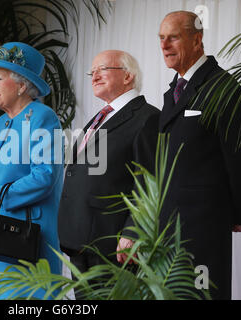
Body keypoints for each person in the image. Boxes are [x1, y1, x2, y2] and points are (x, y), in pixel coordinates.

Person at [158, 11, 241, 299]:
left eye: (174, 37)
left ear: (197, 39)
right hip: (168, 229)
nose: (165, 45)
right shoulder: (172, 93)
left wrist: (236, 211)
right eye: (161, 38)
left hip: (202, 230)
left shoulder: (222, 86)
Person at [0, 42, 63, 299]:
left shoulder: (43, 117)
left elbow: (45, 175)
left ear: (22, 85)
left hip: (26, 241)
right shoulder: (0, 124)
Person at [57, 50, 160, 282]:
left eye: (102, 69)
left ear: (127, 76)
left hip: (113, 244)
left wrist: (134, 231)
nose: (94, 77)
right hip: (81, 240)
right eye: (91, 72)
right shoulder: (101, 117)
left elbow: (150, 182)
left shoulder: (148, 118)